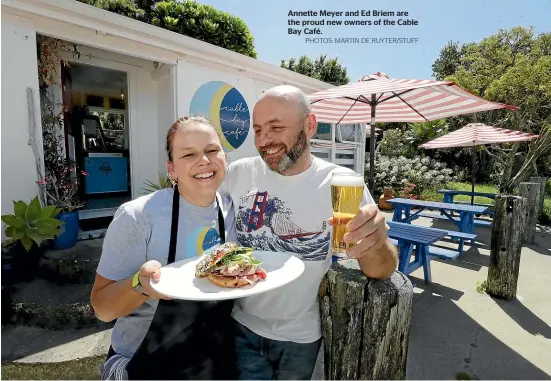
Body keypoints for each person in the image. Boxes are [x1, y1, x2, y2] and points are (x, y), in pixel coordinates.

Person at [221, 85, 398, 380]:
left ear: (310, 125)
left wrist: (377, 243)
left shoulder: (343, 184)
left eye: (276, 127)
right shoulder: (237, 173)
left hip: (300, 336)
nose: (264, 140)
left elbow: (381, 271)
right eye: (258, 129)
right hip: (242, 327)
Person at [91, 116, 238, 380]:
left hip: (212, 359)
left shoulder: (232, 208)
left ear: (224, 158)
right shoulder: (138, 216)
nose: (204, 160)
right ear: (172, 169)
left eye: (212, 150)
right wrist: (141, 284)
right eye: (188, 154)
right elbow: (102, 308)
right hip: (147, 364)